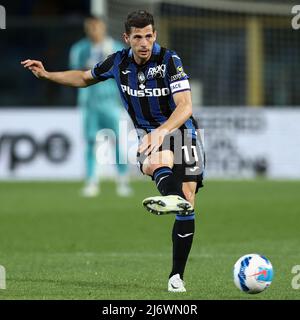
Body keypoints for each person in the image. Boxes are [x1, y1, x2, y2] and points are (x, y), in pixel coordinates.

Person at [21, 10, 205, 293]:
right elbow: (84, 77)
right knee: (156, 161)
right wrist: (47, 74)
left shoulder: (170, 60)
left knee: (188, 203)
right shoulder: (117, 61)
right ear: (127, 38)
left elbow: (185, 106)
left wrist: (162, 131)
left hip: (181, 131)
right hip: (150, 136)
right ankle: (172, 200)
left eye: (148, 36)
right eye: (137, 37)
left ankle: (176, 273)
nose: (143, 43)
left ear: (154, 35)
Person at [69, 15, 132, 197]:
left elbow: (126, 73)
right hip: (89, 102)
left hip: (111, 102)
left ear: (103, 27)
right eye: (90, 27)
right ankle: (91, 181)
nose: (93, 31)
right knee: (90, 142)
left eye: (96, 27)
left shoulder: (116, 49)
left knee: (117, 140)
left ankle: (122, 180)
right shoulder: (80, 49)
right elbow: (75, 72)